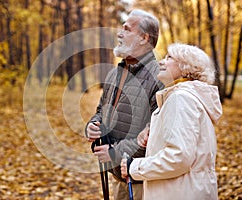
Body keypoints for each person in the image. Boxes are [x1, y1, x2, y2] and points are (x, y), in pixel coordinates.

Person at [120, 43, 223, 200]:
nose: (161, 62)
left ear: (186, 66)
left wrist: (134, 167)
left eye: (169, 57)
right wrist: (154, 134)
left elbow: (179, 157)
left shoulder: (181, 98)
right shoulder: (187, 98)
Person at [85, 9, 164, 200]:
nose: (119, 34)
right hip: (118, 177)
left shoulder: (159, 77)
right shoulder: (116, 72)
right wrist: (93, 126)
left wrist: (114, 153)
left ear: (144, 38)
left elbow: (156, 134)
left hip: (142, 184)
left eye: (127, 30)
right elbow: (100, 111)